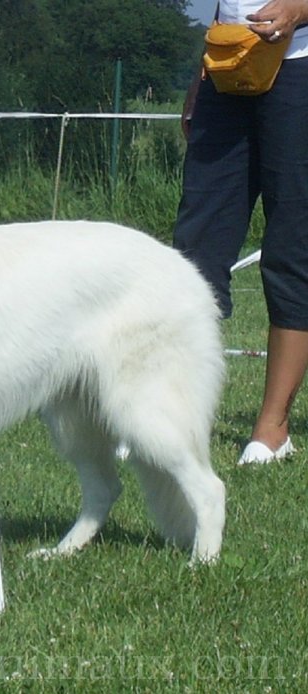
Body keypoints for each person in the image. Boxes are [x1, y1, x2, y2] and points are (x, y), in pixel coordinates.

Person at [173, 0, 308, 464]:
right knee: (195, 248)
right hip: (226, 71)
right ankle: (174, 415)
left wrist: (301, 10)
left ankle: (272, 429)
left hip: (300, 71)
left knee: (291, 251)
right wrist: (200, 77)